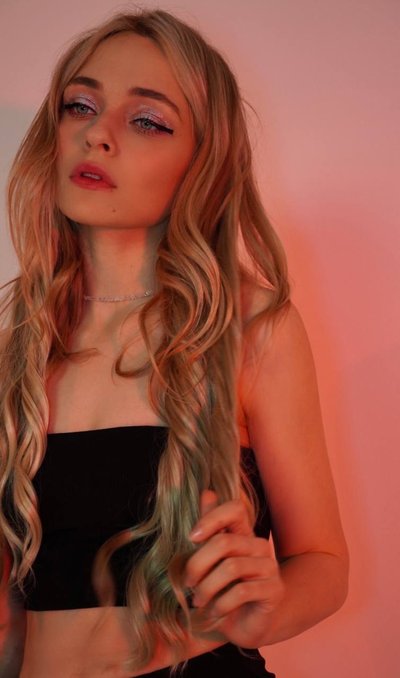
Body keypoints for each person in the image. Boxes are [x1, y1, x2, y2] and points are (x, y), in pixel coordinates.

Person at [0, 9, 349, 678]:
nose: (97, 134)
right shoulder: (18, 341)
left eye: (147, 120)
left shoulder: (250, 326)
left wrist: (269, 608)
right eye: (80, 106)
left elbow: (324, 563)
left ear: (203, 161)